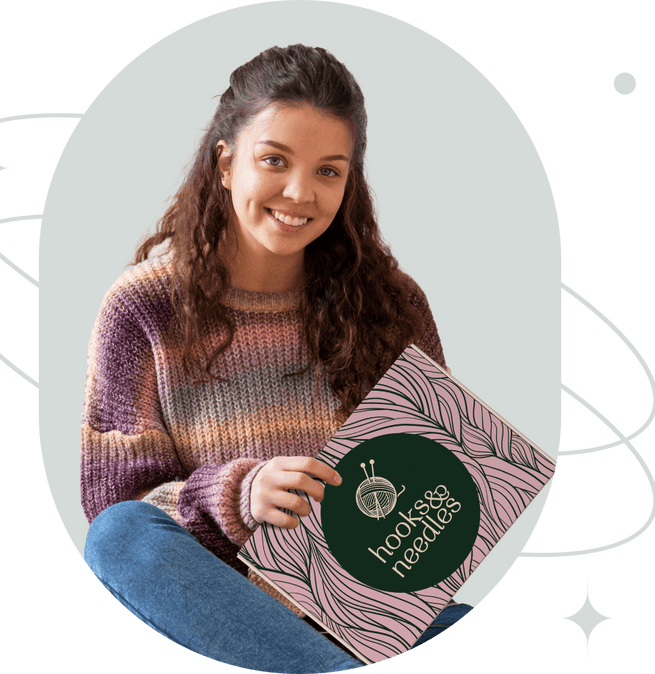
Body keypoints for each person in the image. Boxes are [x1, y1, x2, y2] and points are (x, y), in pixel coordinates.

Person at [81, 44, 472, 673]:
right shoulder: (143, 307)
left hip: (372, 607)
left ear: (351, 182)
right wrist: (241, 494)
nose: (300, 193)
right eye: (275, 160)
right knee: (117, 536)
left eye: (328, 171)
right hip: (227, 610)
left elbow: (444, 486)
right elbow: (118, 504)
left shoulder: (394, 303)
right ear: (227, 163)